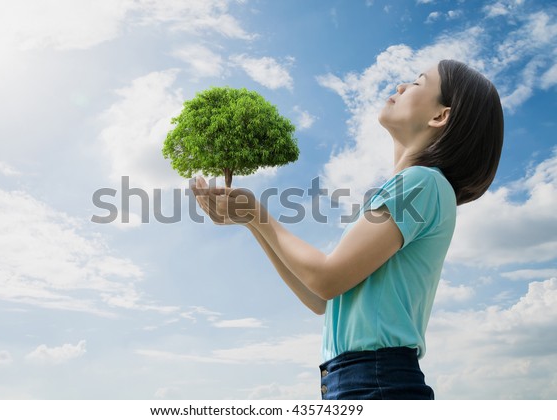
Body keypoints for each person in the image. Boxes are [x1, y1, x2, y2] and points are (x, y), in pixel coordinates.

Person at [190, 59, 503, 400]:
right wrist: (250, 220)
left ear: (440, 116)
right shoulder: (413, 187)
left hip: (375, 379)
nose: (401, 87)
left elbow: (326, 279)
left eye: (417, 82)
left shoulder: (421, 183)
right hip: (358, 377)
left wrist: (257, 213)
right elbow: (320, 298)